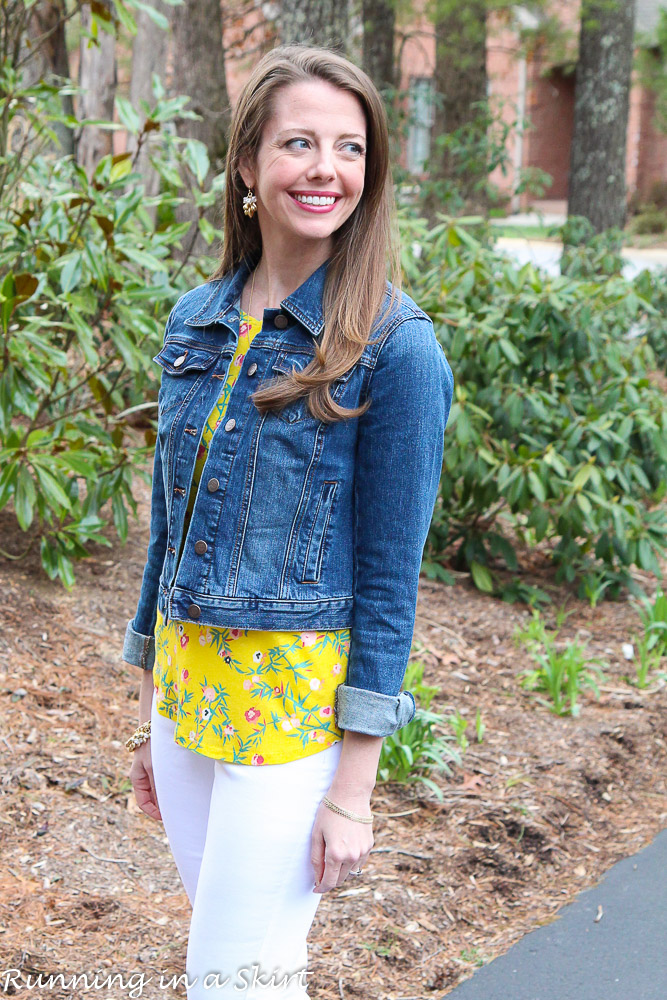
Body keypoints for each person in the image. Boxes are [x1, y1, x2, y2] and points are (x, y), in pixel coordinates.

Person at [123, 43, 453, 1000]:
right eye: (299, 142)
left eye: (348, 148)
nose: (325, 168)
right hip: (186, 698)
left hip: (293, 718)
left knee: (232, 979)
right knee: (250, 977)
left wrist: (353, 790)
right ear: (246, 167)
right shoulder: (196, 319)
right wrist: (146, 715)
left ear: (370, 172)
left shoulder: (396, 350)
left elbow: (392, 580)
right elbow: (168, 523)